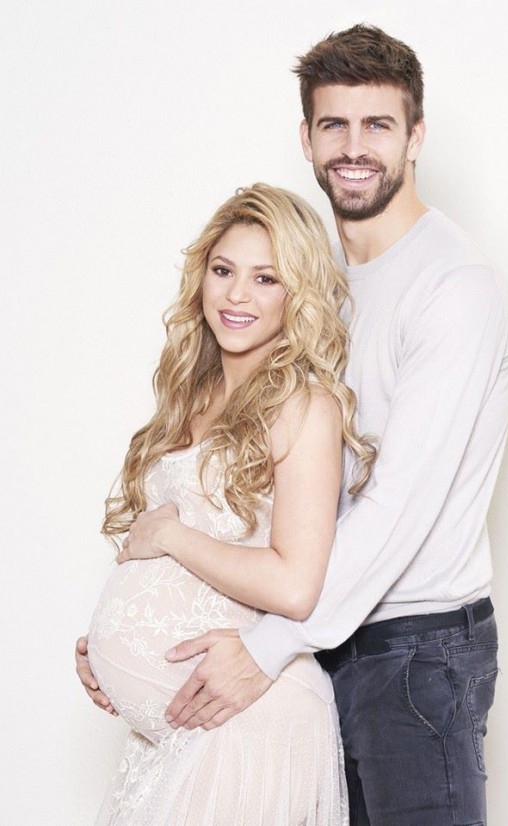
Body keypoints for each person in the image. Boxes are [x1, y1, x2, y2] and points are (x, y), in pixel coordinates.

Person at [77, 24, 508, 825]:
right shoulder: (320, 285)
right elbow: (275, 503)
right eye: (333, 124)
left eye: (378, 125)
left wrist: (265, 649)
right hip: (326, 641)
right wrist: (137, 634)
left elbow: (396, 509)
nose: (353, 147)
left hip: (412, 652)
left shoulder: (454, 287)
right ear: (307, 139)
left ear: (416, 136)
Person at [83, 182, 375, 825]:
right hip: (183, 731)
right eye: (223, 271)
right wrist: (111, 643)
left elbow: (296, 584)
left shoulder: (304, 407)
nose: (237, 295)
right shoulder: (190, 395)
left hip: (251, 722)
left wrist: (169, 538)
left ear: (297, 293)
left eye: (265, 278)